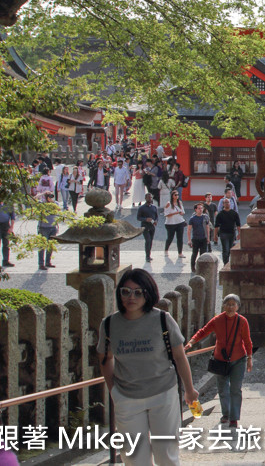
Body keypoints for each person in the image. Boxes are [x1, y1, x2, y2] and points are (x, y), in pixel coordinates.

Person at [97, 269, 199, 466]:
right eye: (125, 292)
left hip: (163, 394)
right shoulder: (109, 324)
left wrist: (189, 389)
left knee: (166, 455)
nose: (131, 297)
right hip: (127, 398)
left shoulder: (162, 320)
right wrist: (114, 391)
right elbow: (105, 358)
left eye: (138, 292)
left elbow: (179, 356)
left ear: (148, 293)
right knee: (134, 457)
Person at [185, 294, 253, 428]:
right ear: (223, 305)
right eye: (228, 304)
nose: (230, 307)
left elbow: (247, 341)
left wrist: (250, 358)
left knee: (235, 388)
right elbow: (203, 331)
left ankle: (234, 418)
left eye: (233, 304)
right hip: (220, 360)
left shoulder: (242, 321)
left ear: (238, 307)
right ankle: (226, 414)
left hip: (238, 359)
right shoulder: (217, 320)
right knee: (222, 389)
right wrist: (191, 342)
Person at [214, 197, 241, 266]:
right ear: (223, 204)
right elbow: (216, 226)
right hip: (223, 233)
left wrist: (239, 233)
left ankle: (228, 262)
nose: (227, 204)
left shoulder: (234, 213)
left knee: (230, 249)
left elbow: (238, 224)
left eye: (228, 202)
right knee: (225, 249)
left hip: (232, 233)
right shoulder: (220, 214)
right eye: (225, 202)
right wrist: (215, 236)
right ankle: (225, 263)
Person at [186, 202, 212, 272]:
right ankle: (192, 266)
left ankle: (202, 267)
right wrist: (189, 240)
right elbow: (189, 229)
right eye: (199, 208)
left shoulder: (205, 217)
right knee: (194, 253)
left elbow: (207, 228)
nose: (200, 210)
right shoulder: (192, 219)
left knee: (203, 254)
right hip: (195, 238)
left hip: (203, 238)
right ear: (196, 210)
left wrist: (208, 238)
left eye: (201, 208)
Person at [36, 191, 57, 270]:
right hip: (43, 227)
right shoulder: (42, 204)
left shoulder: (55, 204)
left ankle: (48, 262)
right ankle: (41, 263)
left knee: (50, 246)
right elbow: (34, 199)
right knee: (42, 246)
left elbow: (58, 209)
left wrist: (51, 201)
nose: (51, 198)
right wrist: (43, 194)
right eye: (49, 197)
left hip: (52, 227)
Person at [162, 190, 185, 258]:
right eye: (175, 195)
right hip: (170, 223)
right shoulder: (168, 204)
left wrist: (181, 213)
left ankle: (180, 253)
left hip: (180, 222)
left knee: (180, 238)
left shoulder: (180, 203)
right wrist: (176, 213)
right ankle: (166, 250)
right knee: (170, 237)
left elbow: (183, 212)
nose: (177, 196)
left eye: (177, 195)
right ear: (172, 196)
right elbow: (166, 214)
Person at [137, 193, 158, 262]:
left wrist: (156, 221)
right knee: (148, 240)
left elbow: (156, 216)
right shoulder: (141, 208)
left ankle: (149, 255)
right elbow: (138, 217)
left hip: (152, 226)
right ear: (145, 198)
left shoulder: (154, 207)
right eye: (149, 198)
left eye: (151, 198)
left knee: (151, 241)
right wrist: (146, 219)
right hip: (145, 227)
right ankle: (147, 256)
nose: (150, 199)